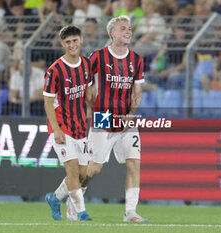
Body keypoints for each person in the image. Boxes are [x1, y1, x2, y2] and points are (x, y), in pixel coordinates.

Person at [67, 15, 149, 222]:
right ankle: (73, 202)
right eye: (123, 28)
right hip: (103, 116)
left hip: (125, 117)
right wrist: (94, 110)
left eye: (129, 28)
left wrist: (130, 115)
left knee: (134, 163)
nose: (128, 31)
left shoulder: (136, 60)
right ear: (112, 33)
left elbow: (137, 91)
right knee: (94, 168)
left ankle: (130, 212)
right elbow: (85, 86)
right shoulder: (98, 56)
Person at [44, 25, 93, 221]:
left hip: (80, 125)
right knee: (72, 169)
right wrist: (55, 129)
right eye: (68, 42)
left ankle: (55, 198)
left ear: (81, 40)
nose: (72, 45)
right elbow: (48, 101)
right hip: (61, 126)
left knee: (83, 174)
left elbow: (88, 93)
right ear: (63, 43)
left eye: (75, 40)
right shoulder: (54, 70)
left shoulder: (87, 65)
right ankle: (81, 213)